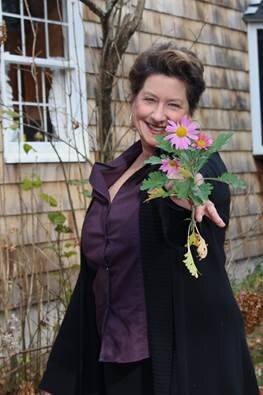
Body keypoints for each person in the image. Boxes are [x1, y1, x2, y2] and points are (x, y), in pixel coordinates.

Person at [40, 43, 259, 395]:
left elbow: (201, 184)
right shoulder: (118, 174)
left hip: (180, 365)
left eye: (174, 105)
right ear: (133, 102)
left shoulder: (193, 163)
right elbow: (95, 278)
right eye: (149, 99)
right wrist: (62, 375)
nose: (158, 115)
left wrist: (189, 190)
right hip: (111, 360)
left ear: (189, 117)